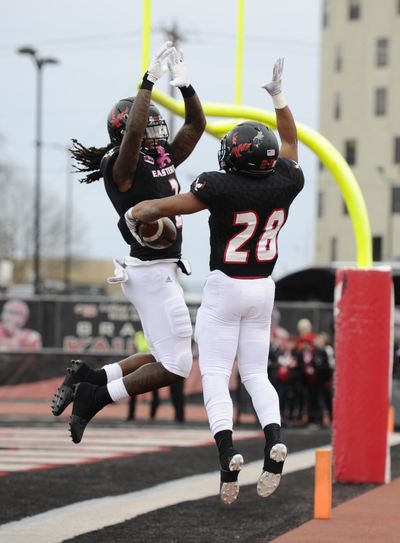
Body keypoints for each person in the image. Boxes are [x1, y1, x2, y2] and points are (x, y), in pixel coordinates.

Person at [130, 58, 304, 504]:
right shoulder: (286, 178)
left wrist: (136, 212)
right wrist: (279, 97)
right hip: (264, 287)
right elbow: (290, 140)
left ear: (238, 157)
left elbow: (170, 208)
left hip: (226, 286)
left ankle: (227, 453)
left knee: (212, 373)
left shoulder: (220, 185)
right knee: (255, 375)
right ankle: (274, 442)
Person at [51, 42, 206, 444]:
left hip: (155, 270)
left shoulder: (159, 157)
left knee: (160, 358)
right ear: (127, 133)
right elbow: (134, 133)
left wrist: (186, 87)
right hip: (152, 272)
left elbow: (195, 127)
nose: (157, 132)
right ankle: (95, 398)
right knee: (176, 367)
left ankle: (88, 377)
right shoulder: (121, 165)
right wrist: (148, 83)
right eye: (149, 126)